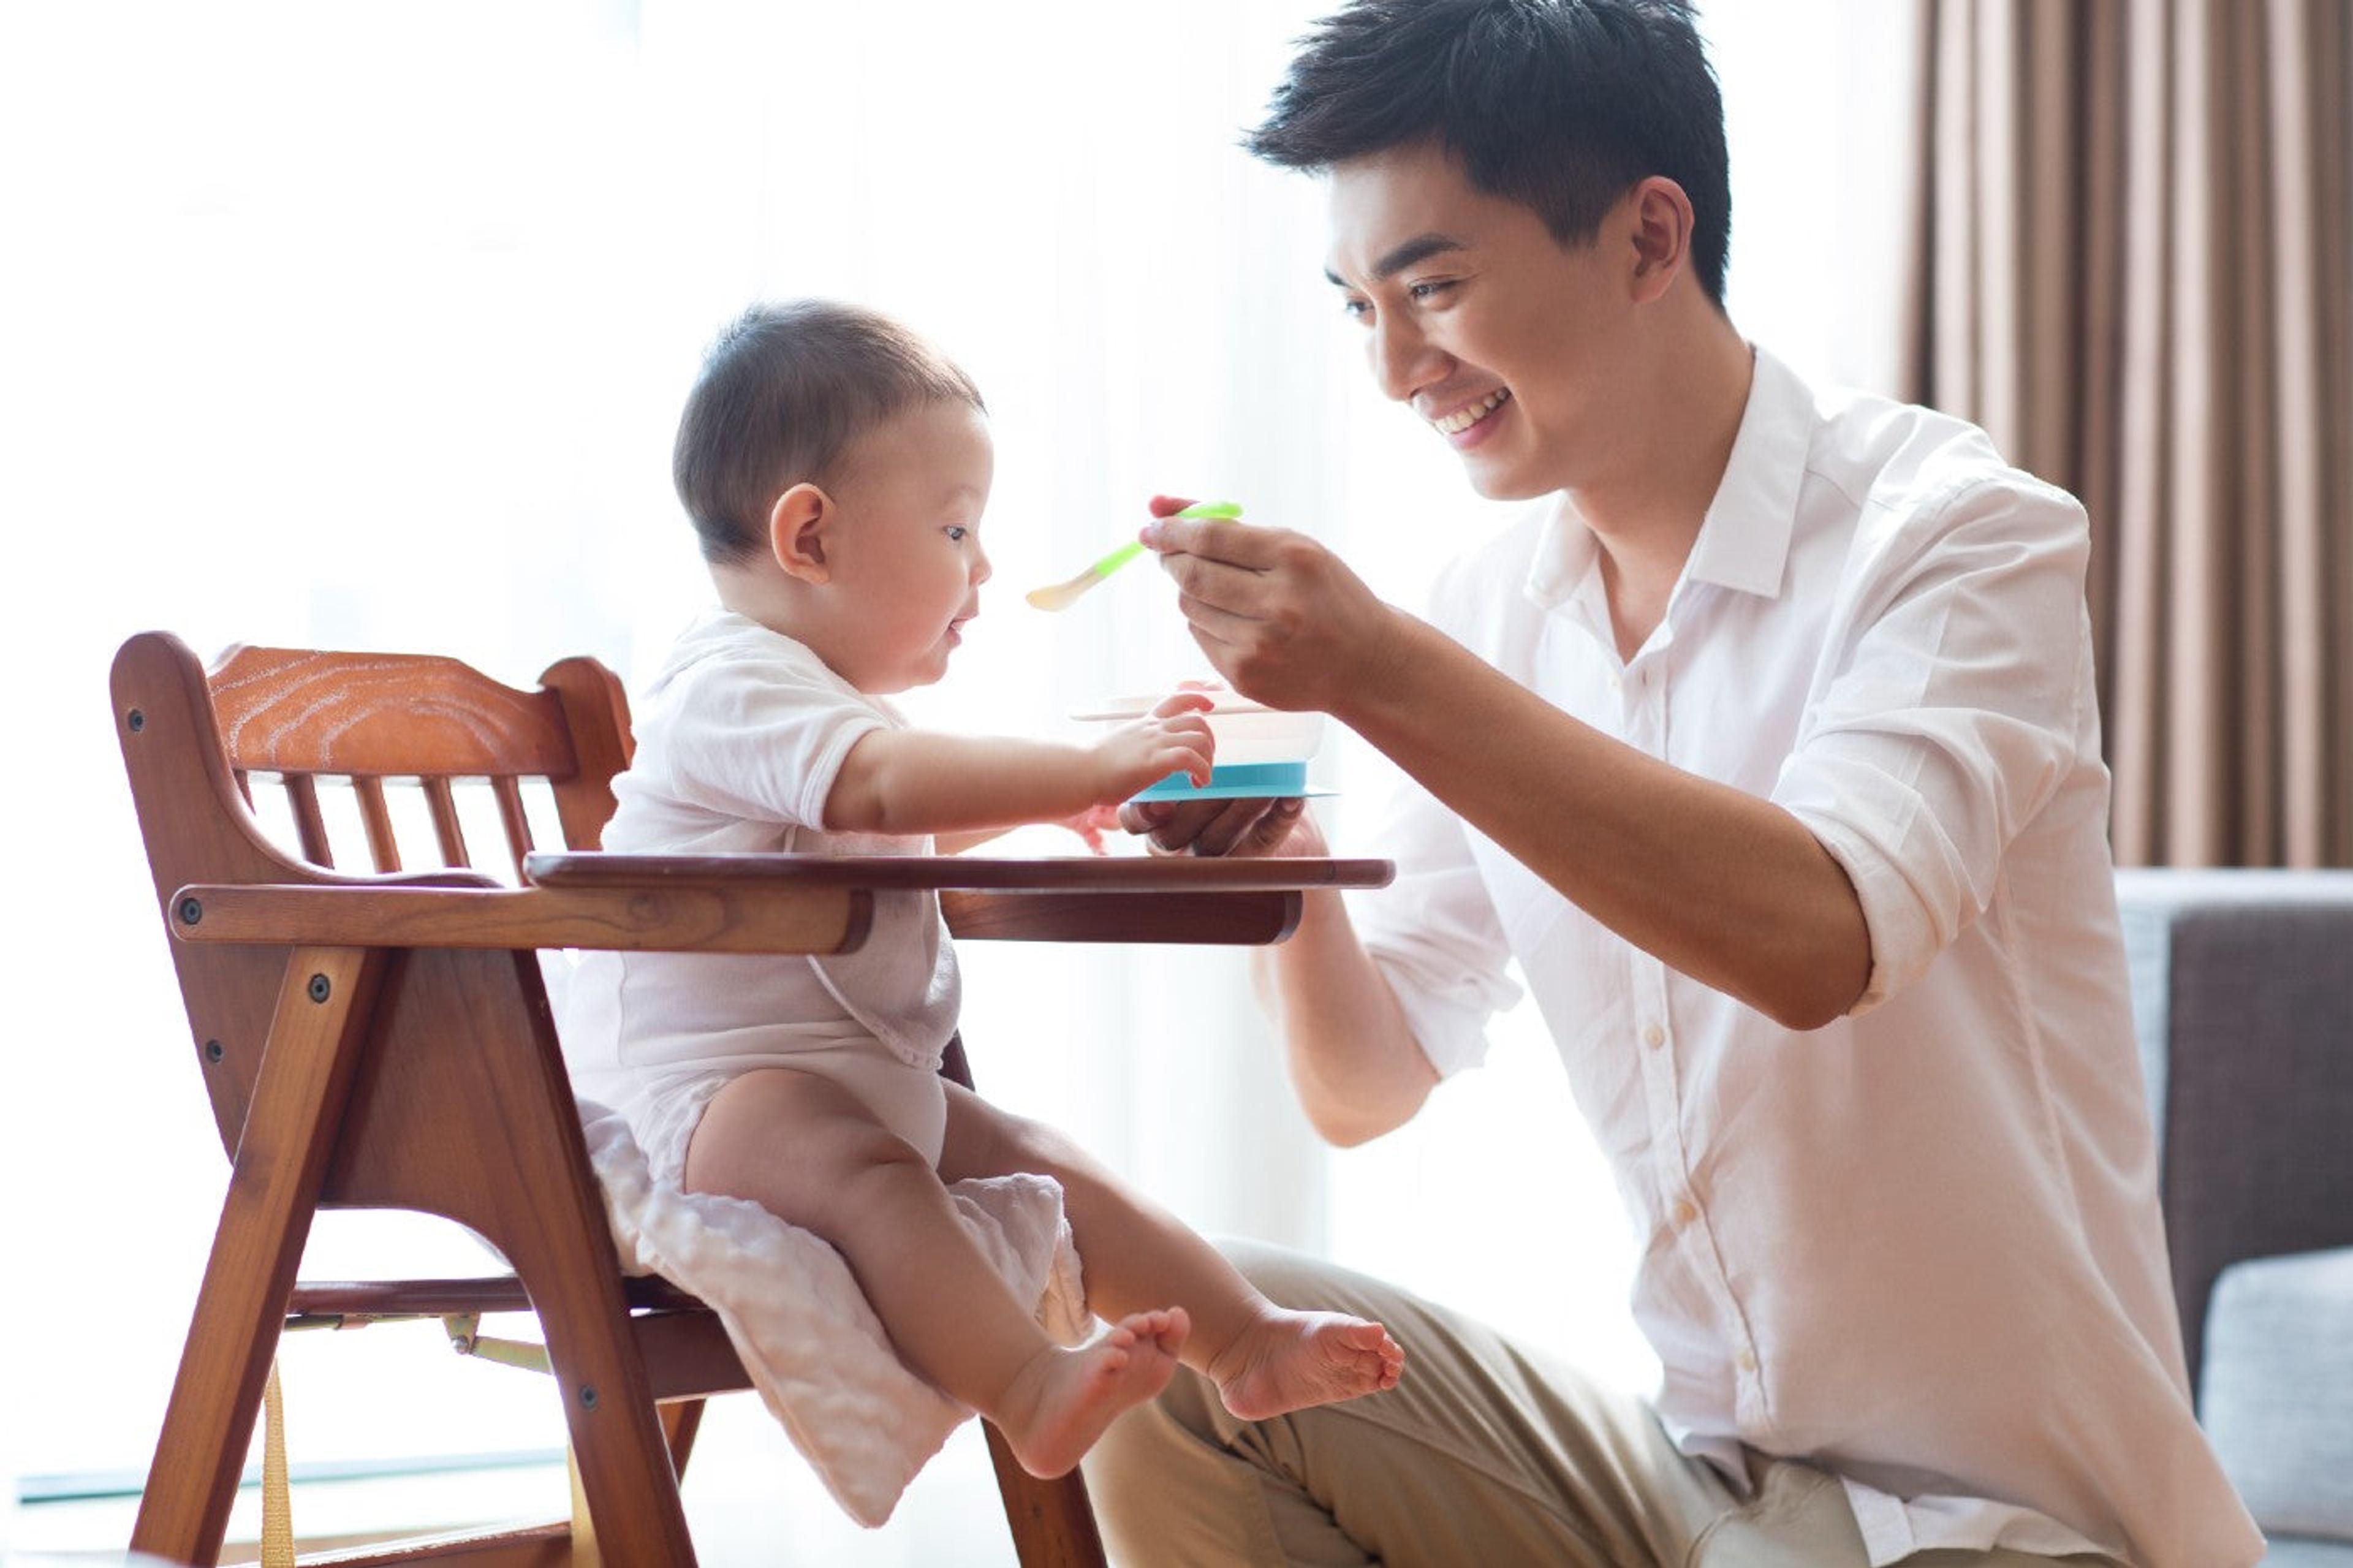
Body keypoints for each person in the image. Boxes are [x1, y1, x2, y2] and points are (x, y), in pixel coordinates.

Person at [1086, 2, 2265, 1564]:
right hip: (1707, 1482)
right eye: (1355, 306)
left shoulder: (1956, 533)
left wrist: (1375, 668)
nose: (1393, 369)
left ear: (1649, 237)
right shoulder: (1491, 610)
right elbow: (1364, 1083)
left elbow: (1823, 936)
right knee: (1183, 1370)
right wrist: (1283, 849)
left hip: (2008, 1517)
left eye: (1432, 288)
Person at [558, 300, 1403, 1483]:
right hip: (708, 1108)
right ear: (809, 536)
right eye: (956, 528)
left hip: (846, 1082)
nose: (984, 567)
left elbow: (905, 803)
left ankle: (1247, 1339)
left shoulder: (818, 703)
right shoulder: (729, 684)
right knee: (870, 1173)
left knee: (1037, 1159)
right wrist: (1088, 766)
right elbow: (885, 789)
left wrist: (1062, 806)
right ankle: (1030, 1386)